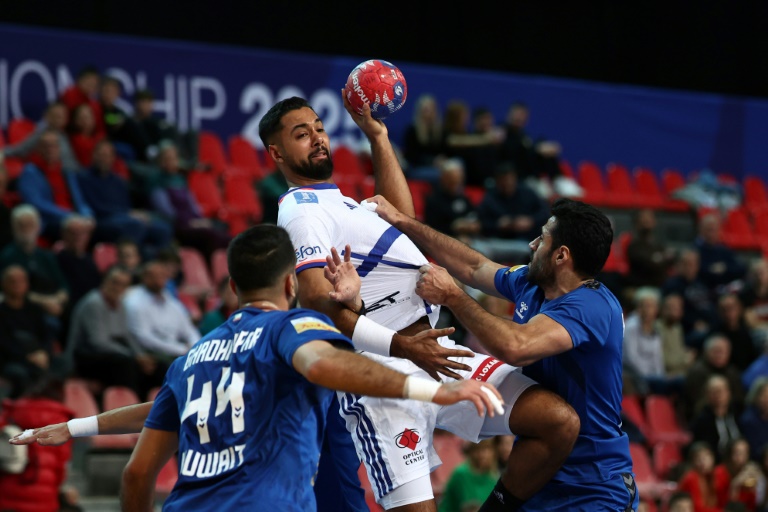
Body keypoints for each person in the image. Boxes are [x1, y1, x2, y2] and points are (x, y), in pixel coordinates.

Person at [263, 95, 579, 511]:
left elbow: (401, 217)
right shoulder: (302, 212)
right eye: (302, 135)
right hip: (384, 378)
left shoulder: (341, 202)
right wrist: (407, 348)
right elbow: (319, 305)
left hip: (439, 354)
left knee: (557, 421)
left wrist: (378, 136)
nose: (318, 138)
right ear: (277, 153)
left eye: (319, 128)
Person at [117, 224, 504, 512]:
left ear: (233, 286)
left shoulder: (193, 357)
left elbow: (137, 473)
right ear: (291, 284)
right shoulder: (290, 328)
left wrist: (75, 427)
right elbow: (323, 365)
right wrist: (433, 390)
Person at [367, 193, 638, 510]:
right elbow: (474, 265)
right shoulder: (533, 283)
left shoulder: (593, 306)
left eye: (543, 239)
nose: (533, 245)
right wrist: (403, 222)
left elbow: (517, 346)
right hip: (541, 473)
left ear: (561, 256)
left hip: (593, 484)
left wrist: (455, 297)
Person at [66, 265, 164, 402]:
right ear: (104, 280)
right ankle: (132, 410)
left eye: (123, 285)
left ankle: (153, 407)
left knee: (157, 366)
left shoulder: (121, 304)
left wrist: (140, 355)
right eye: (115, 282)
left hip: (112, 354)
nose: (118, 288)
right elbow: (98, 342)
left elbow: (127, 335)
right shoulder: (93, 303)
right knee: (126, 365)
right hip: (84, 356)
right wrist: (132, 357)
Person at [78, 139, 173, 256]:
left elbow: (127, 206)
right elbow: (95, 206)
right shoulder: (84, 178)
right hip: (102, 219)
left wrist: (135, 214)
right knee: (135, 225)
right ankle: (134, 262)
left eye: (108, 155)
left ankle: (158, 264)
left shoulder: (118, 181)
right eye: (101, 154)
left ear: (113, 158)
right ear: (94, 156)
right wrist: (128, 214)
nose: (104, 158)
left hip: (124, 217)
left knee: (163, 229)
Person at [0, 265, 68, 399]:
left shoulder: (34, 309)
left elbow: (46, 336)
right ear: (3, 284)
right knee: (19, 373)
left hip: (38, 355)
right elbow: (4, 344)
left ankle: (53, 407)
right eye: (12, 281)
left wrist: (43, 353)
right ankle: (20, 409)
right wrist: (28, 357)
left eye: (21, 280)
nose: (17, 285)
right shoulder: (1, 312)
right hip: (13, 359)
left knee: (64, 363)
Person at [17, 129, 94, 239]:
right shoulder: (30, 172)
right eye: (46, 146)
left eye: (54, 146)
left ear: (59, 149)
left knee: (110, 229)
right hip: (50, 222)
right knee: (76, 230)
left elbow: (80, 200)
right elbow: (36, 202)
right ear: (38, 149)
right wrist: (68, 216)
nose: (50, 149)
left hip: (76, 219)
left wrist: (87, 215)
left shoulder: (67, 172)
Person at [0, 205, 69, 321]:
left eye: (30, 224)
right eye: (21, 225)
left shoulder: (47, 255)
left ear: (38, 227)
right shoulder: (7, 256)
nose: (26, 229)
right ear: (13, 228)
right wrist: (44, 302)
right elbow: (9, 291)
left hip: (51, 303)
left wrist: (57, 300)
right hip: (22, 308)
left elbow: (63, 286)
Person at [123, 260, 199, 364]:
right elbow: (145, 338)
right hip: (153, 352)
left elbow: (189, 329)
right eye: (154, 276)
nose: (160, 279)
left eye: (162, 275)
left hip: (179, 350)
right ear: (145, 278)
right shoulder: (135, 301)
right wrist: (181, 349)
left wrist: (196, 346)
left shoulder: (169, 299)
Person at [0, 101, 79, 170]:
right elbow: (19, 150)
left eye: (62, 116)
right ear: (47, 116)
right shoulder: (41, 136)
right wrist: (2, 152)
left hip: (75, 175)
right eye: (55, 116)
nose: (59, 119)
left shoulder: (68, 133)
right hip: (58, 177)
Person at [423, 157, 481, 241]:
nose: (456, 184)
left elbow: (473, 216)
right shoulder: (434, 201)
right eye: (452, 181)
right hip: (448, 242)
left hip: (473, 239)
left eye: (459, 180)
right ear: (443, 179)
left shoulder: (463, 197)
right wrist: (453, 228)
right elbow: (432, 229)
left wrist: (474, 225)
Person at [689, 374, 743, 461]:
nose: (718, 396)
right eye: (714, 392)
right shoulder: (701, 421)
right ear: (707, 395)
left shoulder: (738, 412)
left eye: (721, 391)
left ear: (728, 393)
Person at [438, 438, 499, 512]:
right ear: (472, 451)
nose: (482, 455)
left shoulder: (495, 477)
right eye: (478, 449)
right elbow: (446, 506)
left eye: (487, 448)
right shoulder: (460, 474)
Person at [625, 208, 676, 289]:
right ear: (637, 223)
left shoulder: (659, 244)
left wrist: (658, 259)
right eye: (644, 220)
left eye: (649, 219)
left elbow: (672, 259)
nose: (647, 221)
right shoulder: (634, 246)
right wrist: (662, 258)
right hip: (642, 287)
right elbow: (650, 265)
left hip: (661, 287)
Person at [402, 93, 445, 183]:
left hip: (438, 167)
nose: (429, 113)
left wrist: (443, 159)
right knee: (440, 175)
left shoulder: (440, 131)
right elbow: (411, 156)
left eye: (431, 110)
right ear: (420, 112)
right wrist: (432, 161)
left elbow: (444, 151)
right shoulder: (412, 131)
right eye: (426, 110)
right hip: (417, 168)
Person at [713, 438, 766, 511]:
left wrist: (761, 483)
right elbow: (724, 506)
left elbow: (754, 505)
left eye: (745, 453)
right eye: (738, 453)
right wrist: (736, 484)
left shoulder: (749, 473)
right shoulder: (718, 473)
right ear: (729, 455)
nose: (741, 458)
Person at [738, 377, 768, 463]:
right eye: (764, 396)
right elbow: (754, 449)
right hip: (756, 462)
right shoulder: (748, 420)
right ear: (756, 397)